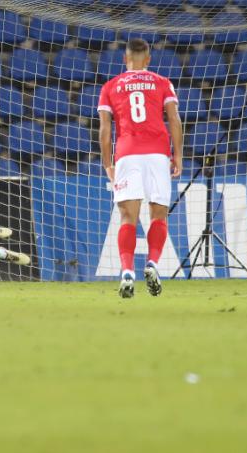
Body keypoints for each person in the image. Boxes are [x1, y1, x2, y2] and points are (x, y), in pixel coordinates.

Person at [98, 38, 184, 299]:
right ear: (148, 60)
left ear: (125, 59)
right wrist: (177, 156)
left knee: (128, 219)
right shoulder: (161, 82)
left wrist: (108, 163)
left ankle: (126, 272)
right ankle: (153, 264)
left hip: (127, 154)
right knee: (159, 216)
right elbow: (174, 119)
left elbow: (105, 129)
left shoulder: (110, 86)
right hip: (158, 154)